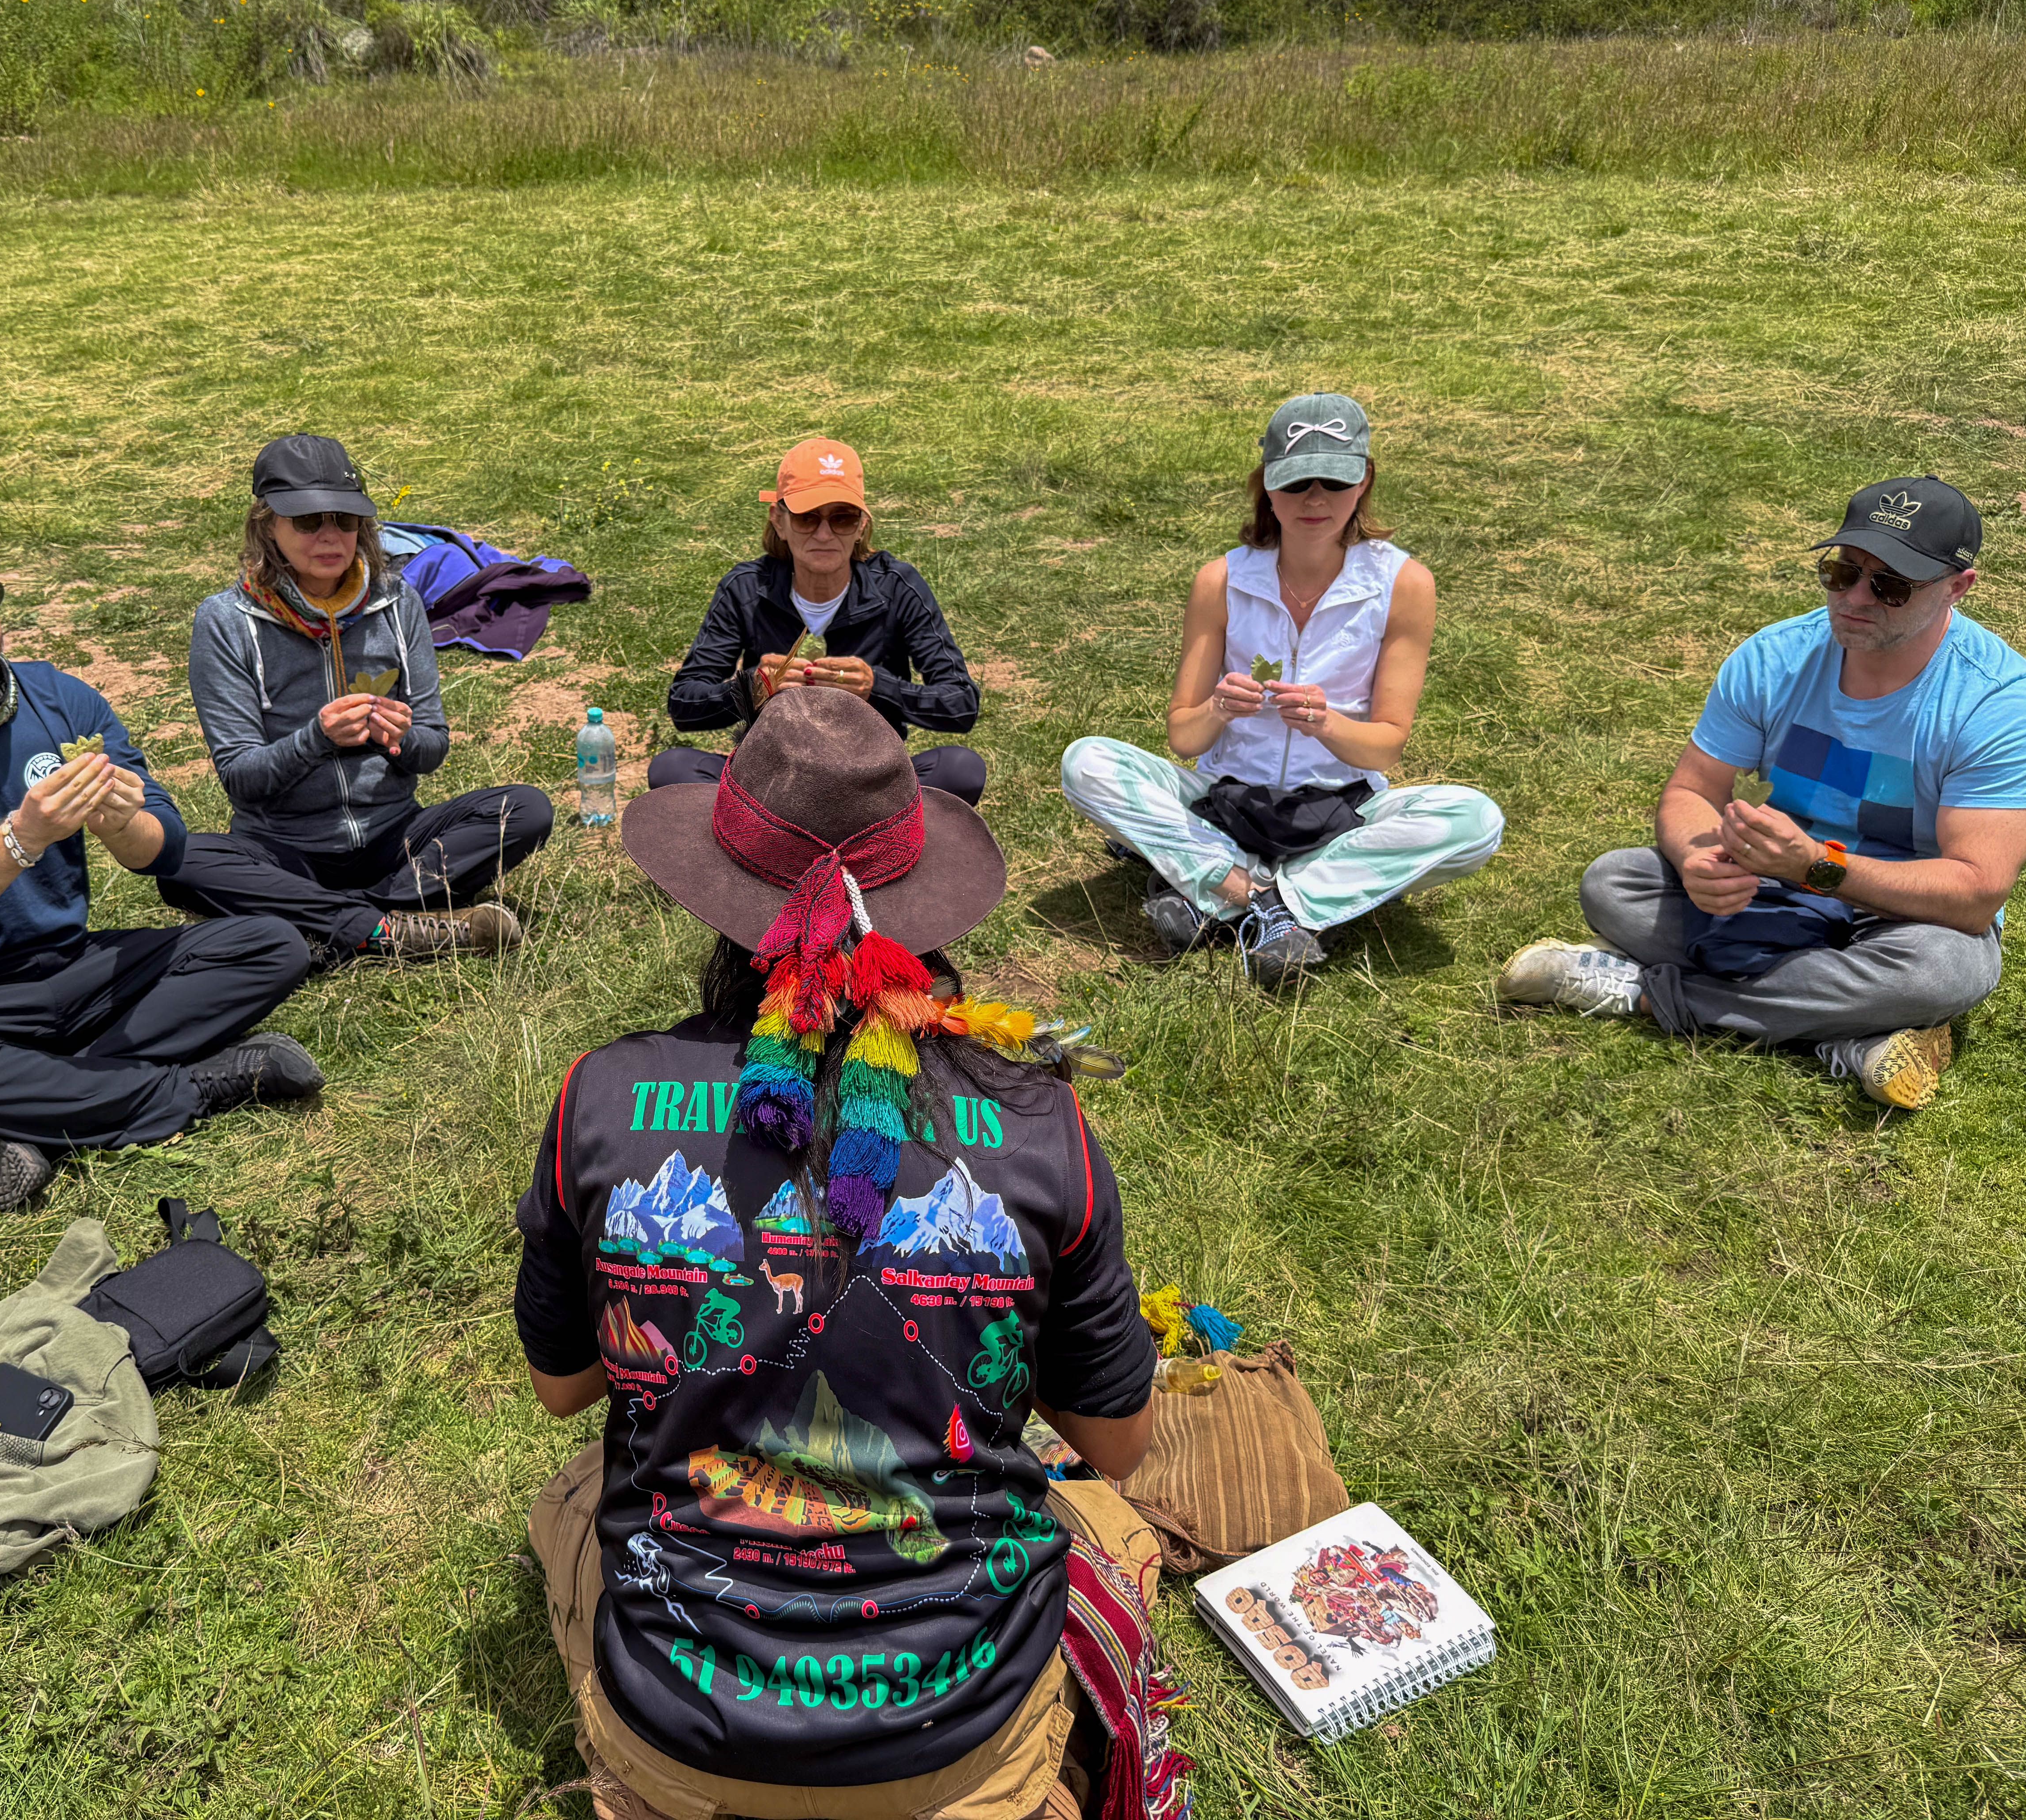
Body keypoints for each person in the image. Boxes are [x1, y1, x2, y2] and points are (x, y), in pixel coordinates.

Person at [516, 689, 1167, 1820]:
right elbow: (1114, 1444)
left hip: (680, 1747)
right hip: (958, 1750)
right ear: (925, 907)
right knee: (1109, 1529)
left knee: (570, 1495)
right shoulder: (1041, 1123)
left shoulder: (601, 1097)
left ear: (718, 905)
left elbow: (565, 1387)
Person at [0, 496, 321, 1211]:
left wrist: (123, 825)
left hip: (74, 970)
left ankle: (13, 1107)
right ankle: (193, 1086)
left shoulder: (58, 698)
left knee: (272, 946)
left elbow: (165, 854)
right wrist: (21, 839)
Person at [1500, 477, 2026, 1110]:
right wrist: (1697, 862)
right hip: (1774, 884)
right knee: (1614, 883)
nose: (1855, 598)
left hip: (1905, 916)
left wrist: (1816, 867)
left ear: (1958, 587)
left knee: (1946, 970)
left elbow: (1977, 895)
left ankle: (1645, 993)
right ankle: (1850, 1038)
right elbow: (1691, 792)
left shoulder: (2002, 703)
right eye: (1843, 571)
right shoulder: (1775, 657)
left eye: (1891, 586)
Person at [1059, 394, 1504, 985]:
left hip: (1344, 806)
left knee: (1476, 822)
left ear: (1365, 481)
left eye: (1334, 481)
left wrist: (1328, 724)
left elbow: (1386, 748)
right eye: (1297, 484)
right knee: (1086, 763)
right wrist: (1219, 707)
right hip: (1226, 800)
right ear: (1267, 487)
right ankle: (1283, 900)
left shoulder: (1404, 584)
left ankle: (1227, 895)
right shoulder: (1222, 580)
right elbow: (1185, 737)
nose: (1315, 499)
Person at [157, 434, 553, 964]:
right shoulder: (226, 621)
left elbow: (433, 747)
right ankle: (397, 926)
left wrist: (401, 739)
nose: (329, 536)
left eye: (344, 520)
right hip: (285, 850)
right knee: (179, 861)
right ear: (267, 526)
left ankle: (338, 924)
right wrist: (315, 740)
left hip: (394, 840)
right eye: (307, 521)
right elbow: (241, 779)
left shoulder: (398, 602)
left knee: (526, 810)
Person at [654, 438, 989, 806]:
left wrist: (877, 686)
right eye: (807, 517)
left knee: (961, 769)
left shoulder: (897, 587)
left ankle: (787, 840)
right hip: (772, 778)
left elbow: (961, 704)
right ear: (778, 521)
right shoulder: (747, 589)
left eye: (842, 518)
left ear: (862, 526)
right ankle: (855, 838)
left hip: (871, 779)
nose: (824, 534)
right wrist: (753, 687)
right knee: (671, 770)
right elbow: (684, 704)